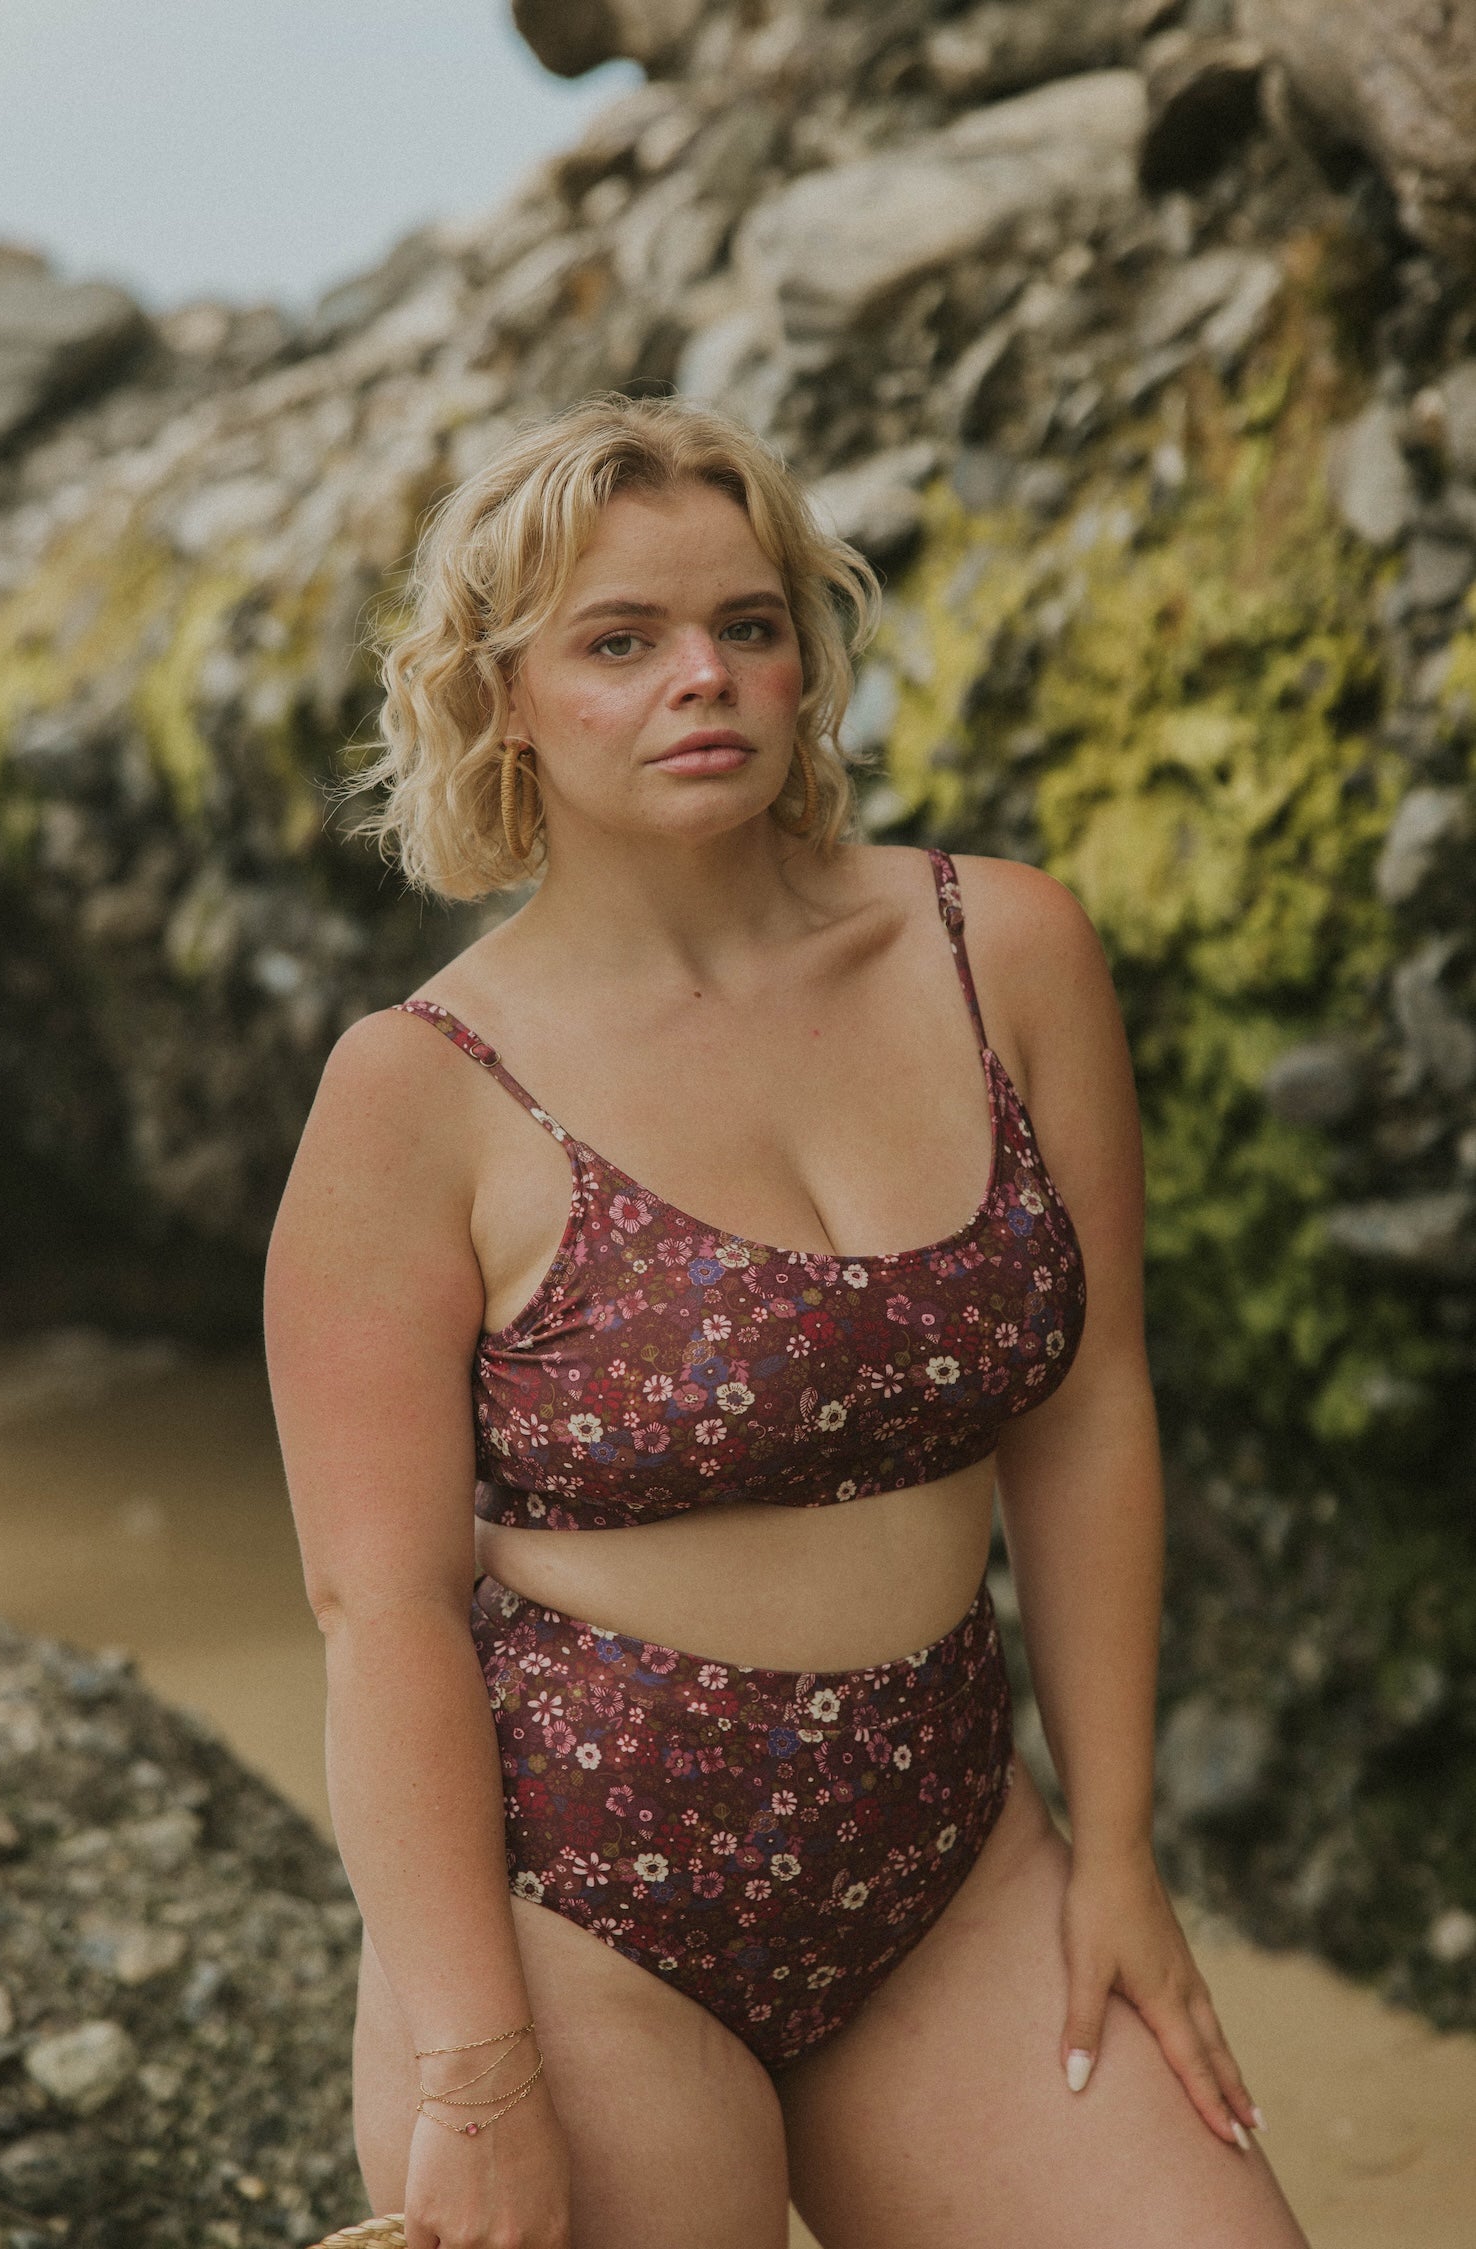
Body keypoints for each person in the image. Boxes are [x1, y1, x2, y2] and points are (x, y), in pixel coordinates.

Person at [264, 393, 1308, 2249]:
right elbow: (383, 1607)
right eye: (621, 640)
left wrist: (1121, 1849)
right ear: (502, 695)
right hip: (578, 1924)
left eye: (750, 625)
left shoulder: (1006, 951)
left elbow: (1089, 1407)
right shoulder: (415, 1092)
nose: (707, 678)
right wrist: (475, 2072)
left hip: (954, 1862)